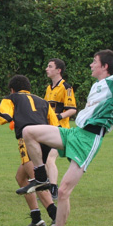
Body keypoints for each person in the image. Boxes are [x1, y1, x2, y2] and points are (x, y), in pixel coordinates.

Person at [18, 41, 113, 226]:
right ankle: (40, 177)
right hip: (74, 132)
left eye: (95, 62)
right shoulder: (98, 85)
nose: (91, 65)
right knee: (29, 131)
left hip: (88, 140)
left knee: (64, 192)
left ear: (105, 67)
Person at [0, 75, 59, 226]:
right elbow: (55, 125)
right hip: (47, 141)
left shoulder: (11, 98)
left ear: (12, 89)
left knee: (37, 181)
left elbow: (4, 117)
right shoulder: (42, 101)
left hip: (29, 142)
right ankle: (37, 219)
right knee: (21, 177)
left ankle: (56, 217)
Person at [44, 58, 77, 199]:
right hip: (48, 130)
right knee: (42, 158)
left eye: (50, 66)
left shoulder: (66, 88)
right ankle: (46, 186)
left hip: (60, 130)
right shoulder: (49, 88)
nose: (46, 68)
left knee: (50, 159)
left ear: (59, 70)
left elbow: (72, 109)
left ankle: (53, 189)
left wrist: (58, 116)